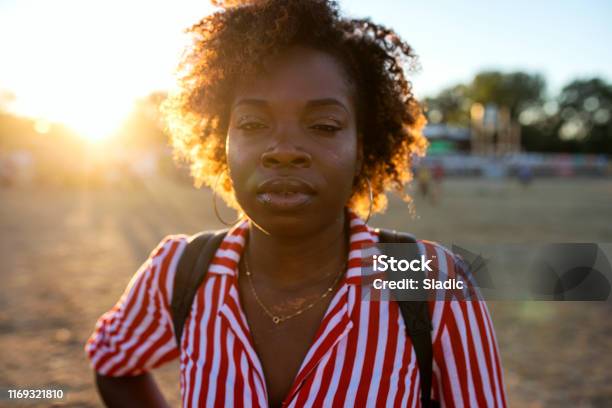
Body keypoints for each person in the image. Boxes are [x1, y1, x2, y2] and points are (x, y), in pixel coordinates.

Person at [85, 1, 507, 407]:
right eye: (252, 123)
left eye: (323, 125)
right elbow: (113, 362)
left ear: (362, 148)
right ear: (222, 142)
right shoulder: (178, 271)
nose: (284, 150)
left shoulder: (431, 280)